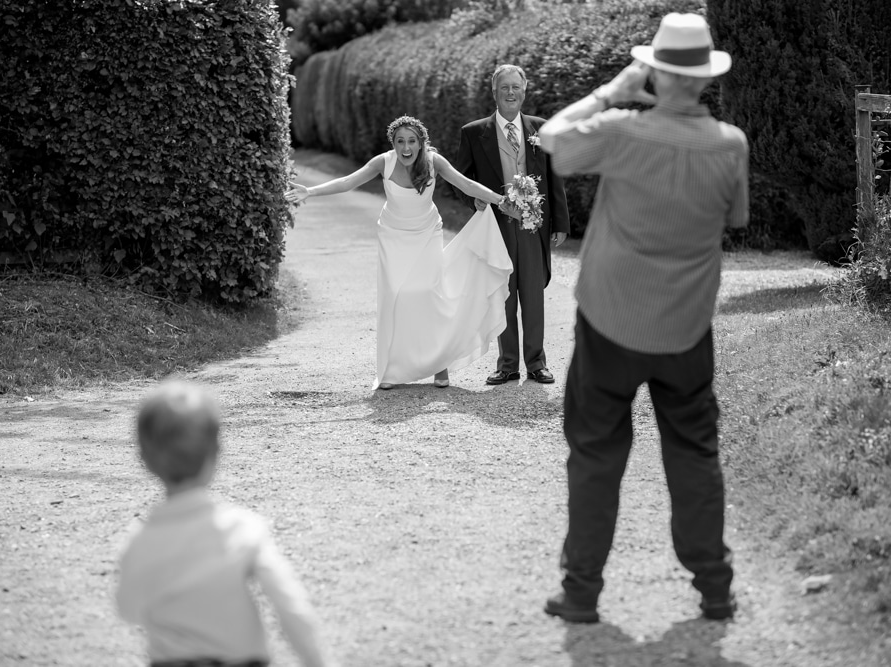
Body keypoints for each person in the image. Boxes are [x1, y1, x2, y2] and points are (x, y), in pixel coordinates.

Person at [537, 13, 748, 623]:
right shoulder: (730, 144)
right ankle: (715, 588)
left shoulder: (623, 131)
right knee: (694, 453)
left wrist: (613, 91)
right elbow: (733, 221)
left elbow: (552, 137)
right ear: (705, 78)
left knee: (597, 455)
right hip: (686, 330)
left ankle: (581, 594)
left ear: (653, 70)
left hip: (608, 321)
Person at [285, 116, 518, 390]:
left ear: (421, 143)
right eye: (400, 142)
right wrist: (310, 191)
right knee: (396, 296)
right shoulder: (383, 162)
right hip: (393, 236)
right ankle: (392, 370)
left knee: (428, 294)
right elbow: (349, 181)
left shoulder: (434, 162)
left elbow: (466, 184)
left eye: (411, 141)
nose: (406, 147)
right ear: (393, 144)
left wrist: (502, 201)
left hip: (426, 234)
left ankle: (439, 365)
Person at [116, 381, 337, 667]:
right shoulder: (243, 529)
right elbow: (290, 606)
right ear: (216, 452)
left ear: (144, 460)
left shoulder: (140, 542)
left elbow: (129, 610)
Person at [454, 64, 571, 386]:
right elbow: (459, 179)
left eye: (515, 88)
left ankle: (536, 363)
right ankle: (507, 365)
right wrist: (472, 201)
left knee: (533, 294)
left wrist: (559, 221)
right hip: (496, 227)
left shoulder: (542, 129)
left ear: (524, 90)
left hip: (533, 227)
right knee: (503, 294)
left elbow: (554, 177)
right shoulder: (473, 132)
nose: (510, 93)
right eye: (504, 87)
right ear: (494, 92)